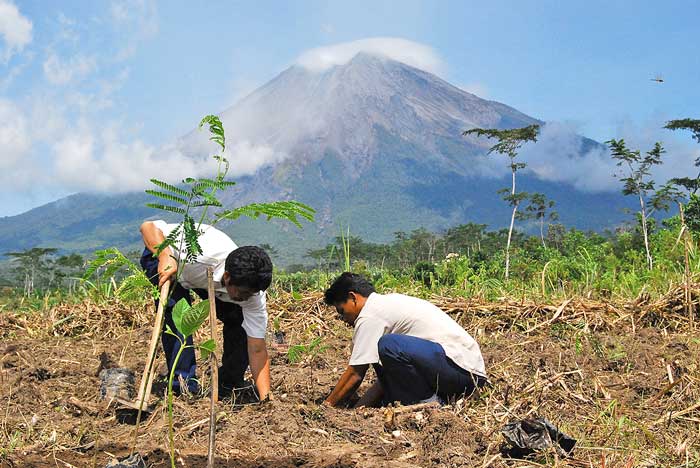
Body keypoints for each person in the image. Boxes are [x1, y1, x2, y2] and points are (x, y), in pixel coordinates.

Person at [139, 220, 272, 401]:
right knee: (179, 318)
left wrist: (266, 399)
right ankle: (184, 386)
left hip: (202, 278)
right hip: (167, 257)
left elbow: (257, 348)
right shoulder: (200, 255)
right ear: (227, 277)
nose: (246, 298)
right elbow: (148, 227)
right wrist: (164, 255)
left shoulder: (253, 294)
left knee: (239, 319)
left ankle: (228, 383)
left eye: (251, 294)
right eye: (243, 293)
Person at [323, 272, 486, 408]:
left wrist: (327, 407)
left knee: (388, 345)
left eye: (341, 311)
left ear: (353, 298)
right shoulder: (385, 305)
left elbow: (355, 374)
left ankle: (429, 403)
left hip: (461, 370)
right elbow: (387, 379)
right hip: (465, 373)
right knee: (386, 368)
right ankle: (427, 399)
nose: (343, 319)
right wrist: (358, 409)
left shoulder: (370, 314)